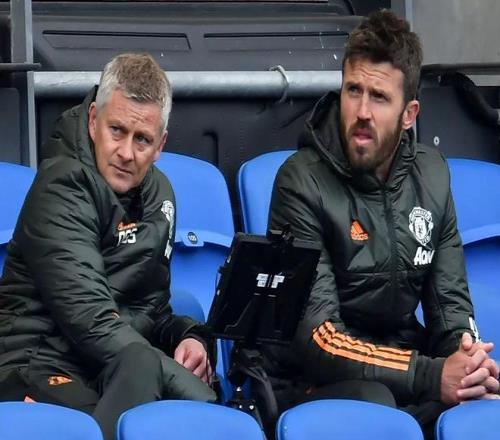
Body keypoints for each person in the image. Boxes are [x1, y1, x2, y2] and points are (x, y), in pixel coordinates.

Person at [265, 9, 499, 438]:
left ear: (409, 114)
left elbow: (450, 308)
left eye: (379, 97)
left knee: (481, 401)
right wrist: (431, 375)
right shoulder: (300, 182)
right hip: (312, 380)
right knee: (378, 407)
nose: (362, 111)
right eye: (353, 91)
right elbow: (318, 338)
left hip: (403, 369)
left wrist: (467, 365)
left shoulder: (432, 176)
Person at [0, 53, 216, 439]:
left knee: (154, 385)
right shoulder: (60, 188)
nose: (127, 153)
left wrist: (189, 336)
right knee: (153, 386)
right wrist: (202, 399)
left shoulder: (160, 195)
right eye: (117, 130)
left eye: (142, 139)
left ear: (161, 144)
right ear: (92, 120)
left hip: (107, 368)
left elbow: (151, 310)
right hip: (34, 365)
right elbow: (93, 321)